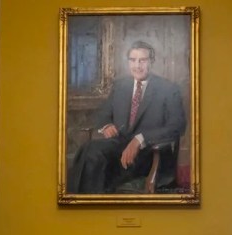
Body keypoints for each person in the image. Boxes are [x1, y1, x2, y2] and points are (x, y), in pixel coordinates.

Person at [68, 40, 187, 194]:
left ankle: (84, 202)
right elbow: (103, 114)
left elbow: (177, 126)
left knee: (93, 158)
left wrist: (140, 139)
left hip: (150, 154)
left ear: (152, 61)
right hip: (119, 149)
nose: (137, 66)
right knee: (90, 150)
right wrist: (106, 125)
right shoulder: (120, 86)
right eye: (133, 60)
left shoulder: (168, 89)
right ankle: (86, 201)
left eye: (142, 60)